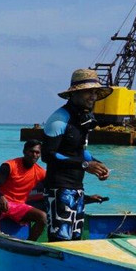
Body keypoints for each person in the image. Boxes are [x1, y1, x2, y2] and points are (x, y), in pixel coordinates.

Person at [41, 68, 112, 242]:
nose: (93, 97)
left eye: (95, 92)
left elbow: (80, 151)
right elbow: (48, 155)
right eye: (89, 92)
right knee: (61, 239)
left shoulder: (82, 120)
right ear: (75, 94)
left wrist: (98, 165)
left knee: (76, 239)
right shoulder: (59, 118)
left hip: (77, 189)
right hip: (59, 190)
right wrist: (86, 166)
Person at [0, 139, 48, 241]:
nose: (34, 155)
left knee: (43, 217)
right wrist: (1, 196)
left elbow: (52, 185)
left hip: (17, 206)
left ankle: (30, 243)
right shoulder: (9, 166)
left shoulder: (40, 172)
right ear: (24, 151)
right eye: (31, 151)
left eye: (37, 152)